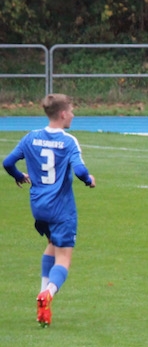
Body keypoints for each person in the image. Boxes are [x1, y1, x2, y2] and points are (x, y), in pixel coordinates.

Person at [3, 94, 96, 327]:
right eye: (71, 111)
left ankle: (41, 300)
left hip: (39, 207)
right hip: (61, 209)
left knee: (52, 245)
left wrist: (19, 176)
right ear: (63, 114)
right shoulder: (68, 141)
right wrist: (89, 180)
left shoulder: (31, 137)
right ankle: (48, 293)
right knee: (63, 258)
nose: (73, 115)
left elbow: (8, 163)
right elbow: (79, 170)